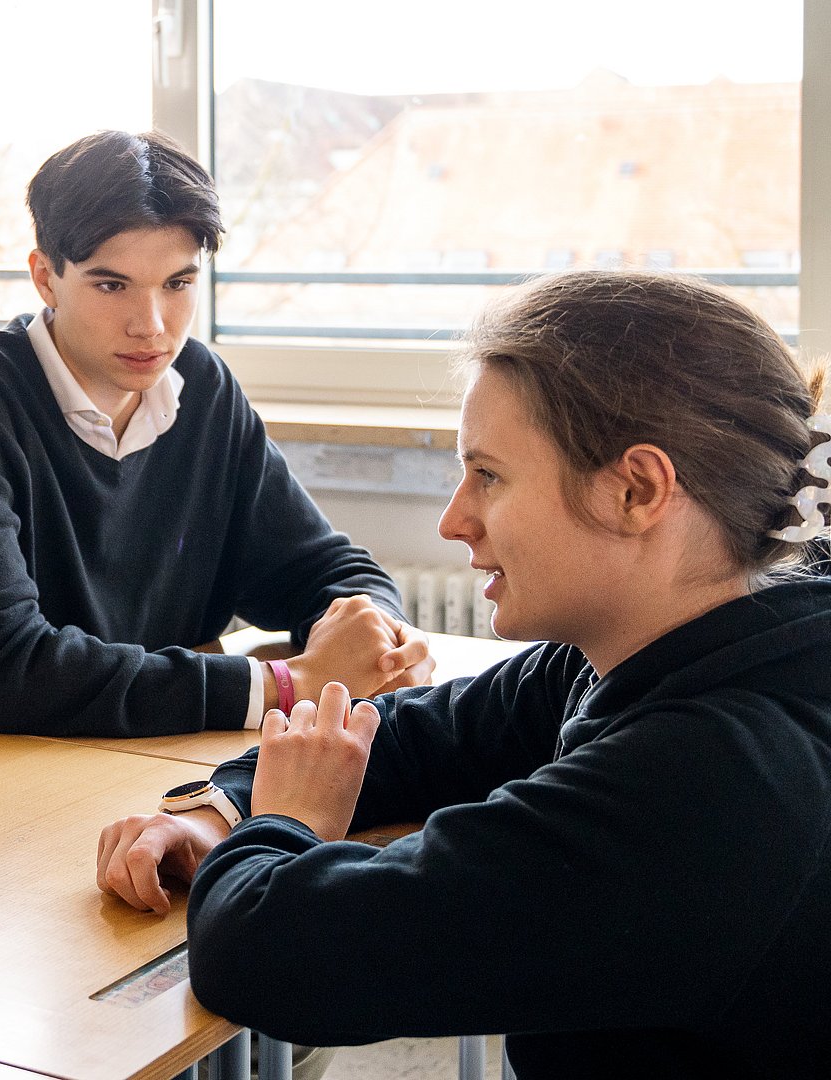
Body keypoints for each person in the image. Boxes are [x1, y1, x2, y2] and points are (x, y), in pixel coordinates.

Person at [95, 271, 831, 1078]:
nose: (454, 520)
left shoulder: (708, 783)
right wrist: (221, 809)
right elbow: (415, 736)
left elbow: (263, 953)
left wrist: (287, 822)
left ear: (638, 489)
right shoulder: (680, 645)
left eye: (489, 475)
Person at [0, 129, 430, 739]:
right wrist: (285, 687)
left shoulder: (201, 386)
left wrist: (379, 638)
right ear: (45, 278)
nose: (152, 326)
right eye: (111, 285)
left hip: (156, 752)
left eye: (178, 284)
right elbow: (4, 676)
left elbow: (321, 567)